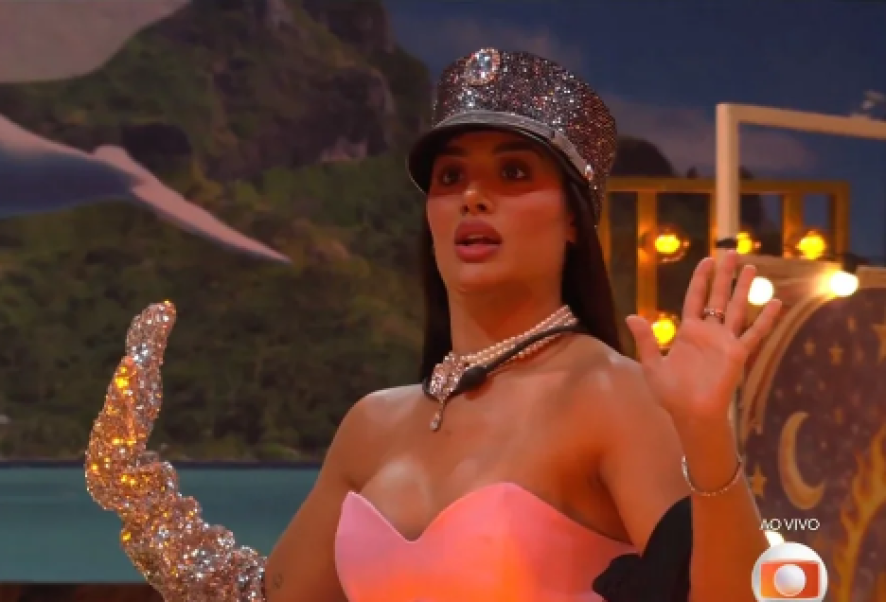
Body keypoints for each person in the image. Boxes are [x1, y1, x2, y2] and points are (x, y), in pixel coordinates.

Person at [85, 48, 782, 602]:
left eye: (514, 173)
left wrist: (705, 436)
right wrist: (135, 489)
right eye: (451, 178)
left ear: (574, 219)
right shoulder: (372, 424)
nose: (473, 196)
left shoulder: (610, 394)